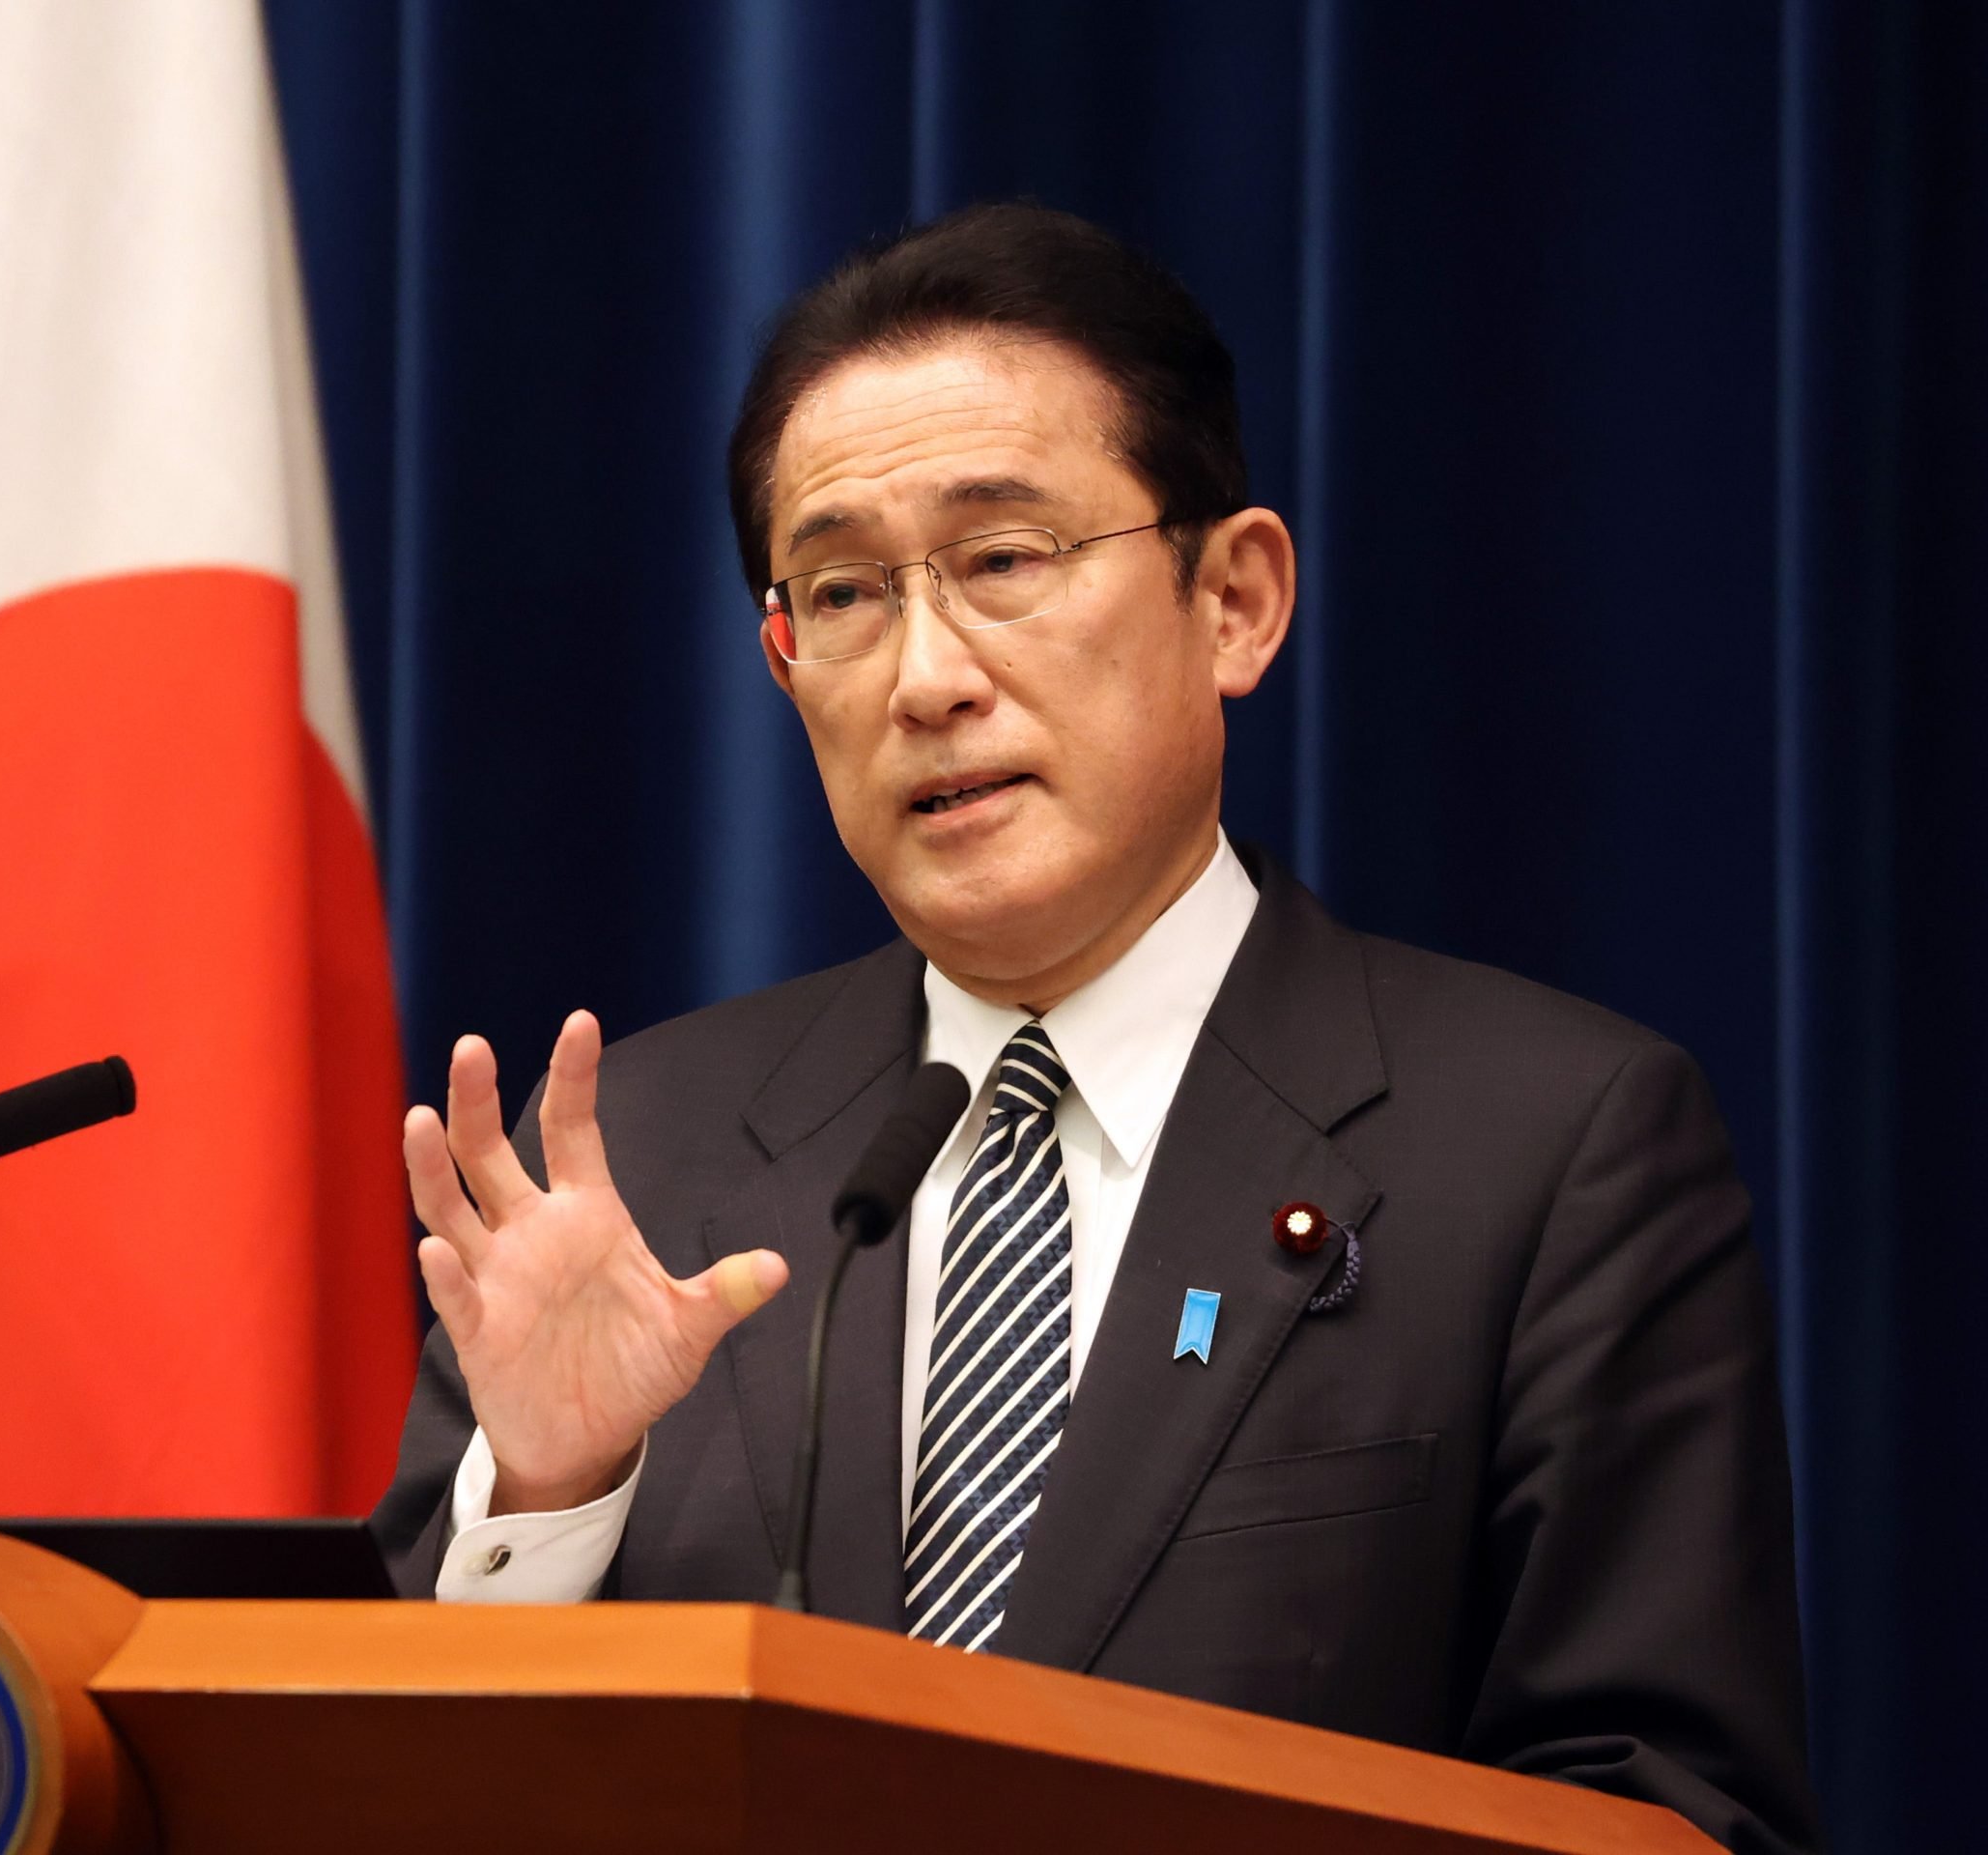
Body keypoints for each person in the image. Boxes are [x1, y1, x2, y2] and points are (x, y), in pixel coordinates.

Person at [371, 204, 1819, 1853]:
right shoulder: (643, 1165)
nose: (926, 677)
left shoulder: (1550, 1151)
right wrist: (557, 1504)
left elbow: (1667, 1813)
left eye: (1003, 561)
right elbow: (393, 1799)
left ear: (1236, 601)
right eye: (841, 591)